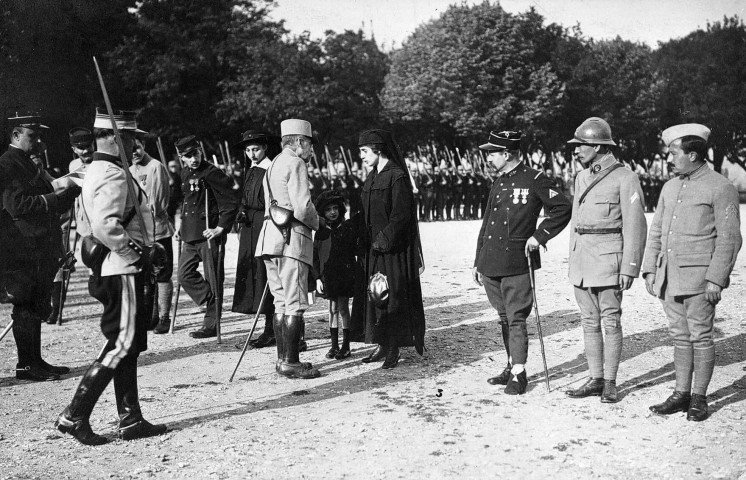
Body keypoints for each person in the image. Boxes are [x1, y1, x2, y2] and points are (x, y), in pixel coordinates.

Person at [55, 109, 167, 444]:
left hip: (116, 269)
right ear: (114, 137)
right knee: (121, 344)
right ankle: (74, 416)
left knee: (127, 344)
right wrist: (139, 254)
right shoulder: (112, 173)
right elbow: (106, 225)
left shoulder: (100, 169)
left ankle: (130, 418)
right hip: (122, 269)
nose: (134, 144)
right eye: (131, 137)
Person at [643, 124, 742, 421]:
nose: (670, 158)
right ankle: (680, 393)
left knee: (700, 337)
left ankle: (699, 397)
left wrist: (716, 278)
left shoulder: (720, 186)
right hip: (668, 277)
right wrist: (650, 268)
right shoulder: (670, 186)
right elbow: (657, 230)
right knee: (679, 337)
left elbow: (730, 238)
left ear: (694, 154)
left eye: (675, 153)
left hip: (700, 280)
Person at [472, 130, 571, 394]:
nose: (488, 158)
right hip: (491, 262)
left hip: (518, 261)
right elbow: (487, 223)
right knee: (504, 317)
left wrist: (539, 237)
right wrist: (477, 259)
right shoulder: (498, 181)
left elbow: (562, 208)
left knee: (516, 318)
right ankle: (510, 364)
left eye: (492, 153)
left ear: (506, 154)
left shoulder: (535, 179)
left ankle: (519, 373)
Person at [565, 117, 647, 403]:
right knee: (588, 321)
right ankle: (595, 377)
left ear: (598, 146)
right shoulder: (581, 177)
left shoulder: (625, 177)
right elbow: (576, 220)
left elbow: (636, 226)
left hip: (609, 261)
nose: (575, 150)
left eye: (580, 145)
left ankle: (610, 381)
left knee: (610, 321)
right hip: (582, 263)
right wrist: (572, 258)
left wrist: (630, 267)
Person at [0, 113, 79, 381]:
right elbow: (17, 206)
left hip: (38, 242)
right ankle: (25, 364)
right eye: (32, 136)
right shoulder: (8, 164)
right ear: (15, 136)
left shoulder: (28, 163)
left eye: (39, 136)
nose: (38, 142)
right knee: (24, 304)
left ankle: (34, 360)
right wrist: (53, 197)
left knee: (36, 302)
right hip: (20, 245)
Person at [256, 119, 321, 379]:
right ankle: (291, 362)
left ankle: (283, 360)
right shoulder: (296, 163)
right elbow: (303, 207)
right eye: (309, 145)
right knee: (293, 303)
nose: (310, 151)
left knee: (280, 302)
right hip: (291, 240)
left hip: (269, 240)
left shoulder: (271, 165)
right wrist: (320, 223)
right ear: (299, 142)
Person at [356, 129, 426, 369]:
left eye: (365, 151)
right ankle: (382, 343)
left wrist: (383, 240)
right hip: (373, 248)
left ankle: (394, 346)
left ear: (379, 149)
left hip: (392, 249)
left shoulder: (396, 177)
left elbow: (401, 216)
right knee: (375, 295)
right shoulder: (373, 177)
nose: (362, 157)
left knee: (392, 296)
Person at [175, 135, 240, 338]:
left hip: (209, 233)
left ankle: (211, 325)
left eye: (195, 153)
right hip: (190, 232)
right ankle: (211, 299)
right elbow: (187, 202)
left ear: (200, 150)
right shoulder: (185, 172)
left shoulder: (212, 173)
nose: (193, 159)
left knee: (213, 278)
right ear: (181, 157)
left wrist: (220, 228)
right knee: (184, 275)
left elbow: (230, 201)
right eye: (188, 156)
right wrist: (180, 226)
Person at [231, 129, 279, 349]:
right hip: (249, 225)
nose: (252, 153)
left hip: (264, 222)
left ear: (265, 148)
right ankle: (267, 327)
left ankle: (273, 329)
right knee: (253, 273)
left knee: (265, 273)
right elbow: (245, 195)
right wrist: (241, 209)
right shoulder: (250, 170)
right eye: (248, 150)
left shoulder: (270, 169)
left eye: (256, 149)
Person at [47, 127, 94, 324]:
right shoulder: (74, 164)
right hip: (83, 223)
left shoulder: (101, 162)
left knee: (100, 271)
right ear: (73, 149)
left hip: (101, 221)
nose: (85, 152)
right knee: (89, 263)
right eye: (80, 148)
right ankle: (56, 310)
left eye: (88, 147)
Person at [130, 137, 175, 334]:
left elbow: (159, 202)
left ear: (144, 146)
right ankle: (151, 315)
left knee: (163, 273)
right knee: (146, 275)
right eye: (130, 149)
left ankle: (164, 317)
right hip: (138, 232)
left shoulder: (156, 166)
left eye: (137, 148)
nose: (134, 153)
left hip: (157, 228)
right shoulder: (128, 169)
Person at [312, 190, 358, 360]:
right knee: (332, 309)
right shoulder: (321, 232)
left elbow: (354, 250)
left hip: (344, 275)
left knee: (344, 308)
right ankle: (334, 345)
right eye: (328, 209)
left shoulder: (347, 228)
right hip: (328, 276)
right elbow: (315, 256)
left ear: (340, 209)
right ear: (322, 212)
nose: (332, 212)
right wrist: (317, 278)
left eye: (335, 208)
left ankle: (346, 345)